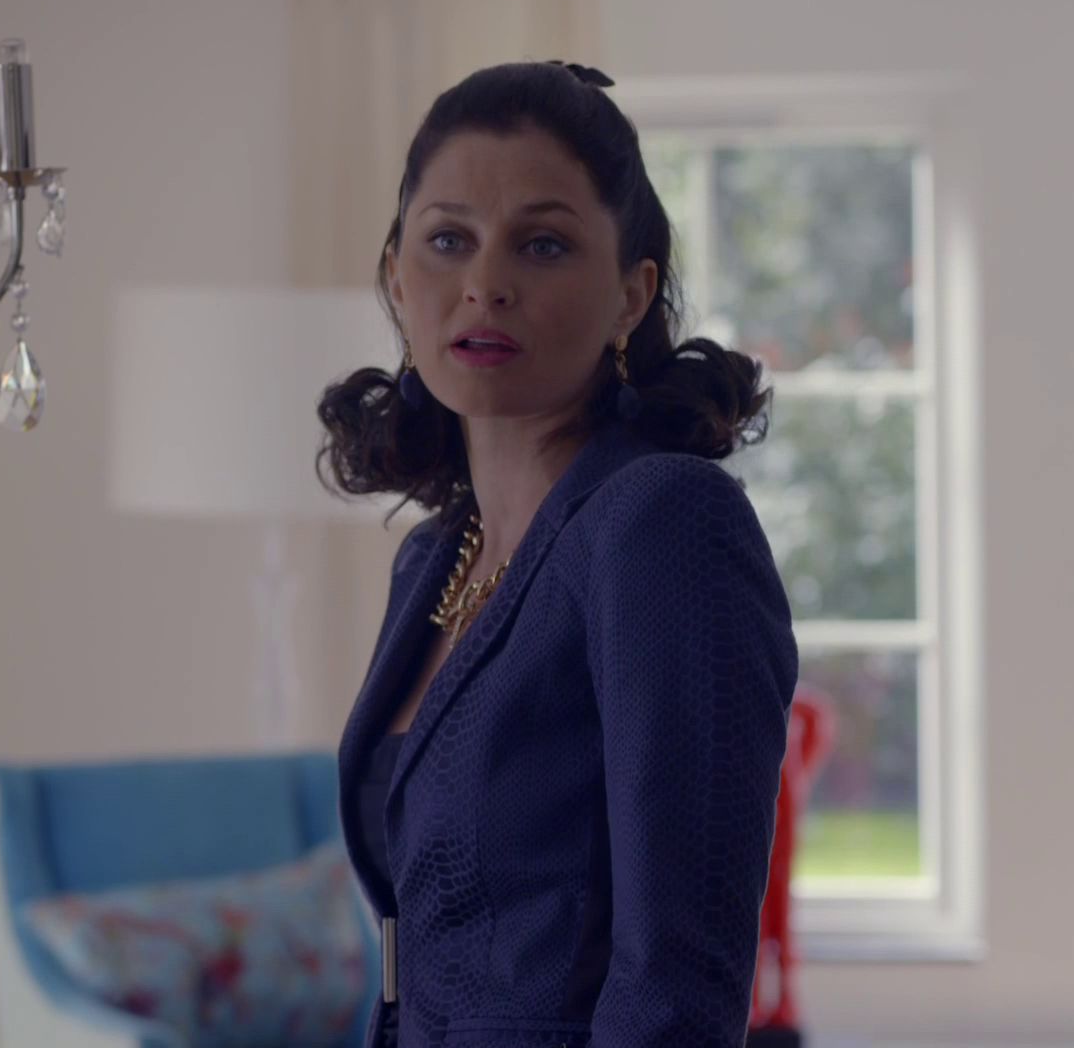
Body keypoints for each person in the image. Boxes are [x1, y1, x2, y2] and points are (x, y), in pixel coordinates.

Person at [315, 59, 799, 1048]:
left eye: (542, 245)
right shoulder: (433, 560)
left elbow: (676, 989)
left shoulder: (662, 524)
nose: (484, 285)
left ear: (631, 295)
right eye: (448, 239)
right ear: (399, 277)